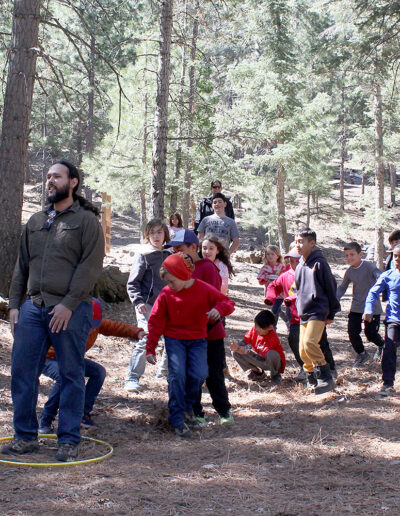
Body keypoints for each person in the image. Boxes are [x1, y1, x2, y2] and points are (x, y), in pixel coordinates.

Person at [3, 161, 105, 462]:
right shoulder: (35, 221)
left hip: (70, 311)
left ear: (72, 182)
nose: (50, 181)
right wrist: (14, 305)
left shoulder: (86, 221)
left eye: (56, 176)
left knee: (71, 374)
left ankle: (69, 440)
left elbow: (90, 267)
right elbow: (21, 267)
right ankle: (24, 437)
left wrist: (68, 304)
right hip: (33, 308)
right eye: (48, 176)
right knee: (22, 372)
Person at [145, 253, 235, 438]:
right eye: (167, 282)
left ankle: (187, 407)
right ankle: (176, 418)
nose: (169, 285)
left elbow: (227, 302)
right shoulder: (166, 294)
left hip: (198, 340)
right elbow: (156, 320)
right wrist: (150, 347)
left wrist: (218, 310)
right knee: (177, 375)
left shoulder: (203, 289)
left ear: (183, 275)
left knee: (200, 373)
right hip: (174, 339)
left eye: (171, 281)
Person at [38, 298, 145, 433]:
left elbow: (115, 327)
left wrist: (136, 332)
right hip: (49, 359)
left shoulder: (96, 325)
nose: (90, 329)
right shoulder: (63, 322)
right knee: (64, 376)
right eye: (88, 324)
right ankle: (46, 419)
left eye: (93, 325)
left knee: (98, 372)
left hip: (73, 360)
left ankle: (83, 413)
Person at [166, 229, 234, 424]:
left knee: (213, 374)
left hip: (210, 332)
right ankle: (196, 412)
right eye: (174, 249)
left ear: (193, 248)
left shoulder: (207, 268)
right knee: (192, 374)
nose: (176, 252)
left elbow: (215, 300)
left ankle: (224, 411)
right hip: (188, 334)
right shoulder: (179, 269)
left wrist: (212, 314)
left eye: (180, 248)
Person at [266, 249, 337, 382]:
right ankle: (305, 368)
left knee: (320, 342)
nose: (294, 264)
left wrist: (291, 298)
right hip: (294, 316)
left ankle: (330, 368)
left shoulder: (309, 273)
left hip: (313, 315)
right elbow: (273, 285)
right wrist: (270, 297)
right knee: (294, 340)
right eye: (291, 261)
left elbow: (308, 293)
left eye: (297, 261)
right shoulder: (286, 275)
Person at [125, 219, 171, 391]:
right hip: (147, 304)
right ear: (147, 235)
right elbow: (133, 282)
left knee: (171, 338)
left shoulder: (169, 254)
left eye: (159, 232)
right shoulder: (143, 255)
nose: (156, 236)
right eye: (152, 233)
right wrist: (138, 301)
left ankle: (164, 372)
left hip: (167, 305)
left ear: (165, 234)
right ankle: (132, 378)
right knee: (146, 337)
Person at [295, 228, 340, 395]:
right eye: (296, 241)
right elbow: (299, 290)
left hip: (318, 310)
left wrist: (332, 312)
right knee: (302, 350)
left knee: (310, 343)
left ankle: (326, 378)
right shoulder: (300, 265)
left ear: (312, 243)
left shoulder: (320, 263)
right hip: (304, 311)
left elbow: (331, 287)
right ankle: (311, 379)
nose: (298, 245)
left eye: (301, 241)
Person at [336, 242, 384, 366]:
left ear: (360, 254)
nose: (349, 258)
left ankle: (382, 345)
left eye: (352, 254)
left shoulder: (369, 267)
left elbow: (380, 277)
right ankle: (362, 354)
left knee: (370, 333)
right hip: (356, 307)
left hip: (372, 307)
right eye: (346, 255)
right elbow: (342, 287)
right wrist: (334, 299)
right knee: (352, 332)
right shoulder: (350, 271)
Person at [364, 244, 400, 396]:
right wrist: (368, 309)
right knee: (389, 348)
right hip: (394, 320)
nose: (398, 259)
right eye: (396, 256)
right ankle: (388, 383)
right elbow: (372, 293)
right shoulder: (388, 275)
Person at [230, 310, 286, 382]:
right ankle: (257, 372)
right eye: (256, 325)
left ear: (270, 328)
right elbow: (244, 341)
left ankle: (275, 374)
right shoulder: (254, 330)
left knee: (272, 354)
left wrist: (246, 351)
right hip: (259, 360)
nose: (256, 329)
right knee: (235, 352)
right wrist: (237, 347)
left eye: (260, 327)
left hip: (270, 362)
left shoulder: (273, 338)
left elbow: (261, 357)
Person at [257, 245, 286, 325]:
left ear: (278, 256)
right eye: (268, 254)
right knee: (277, 309)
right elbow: (260, 278)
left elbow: (285, 277)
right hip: (269, 293)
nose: (270, 256)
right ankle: (287, 320)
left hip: (280, 293)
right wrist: (265, 280)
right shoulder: (265, 267)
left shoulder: (282, 267)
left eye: (272, 254)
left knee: (274, 309)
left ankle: (273, 327)